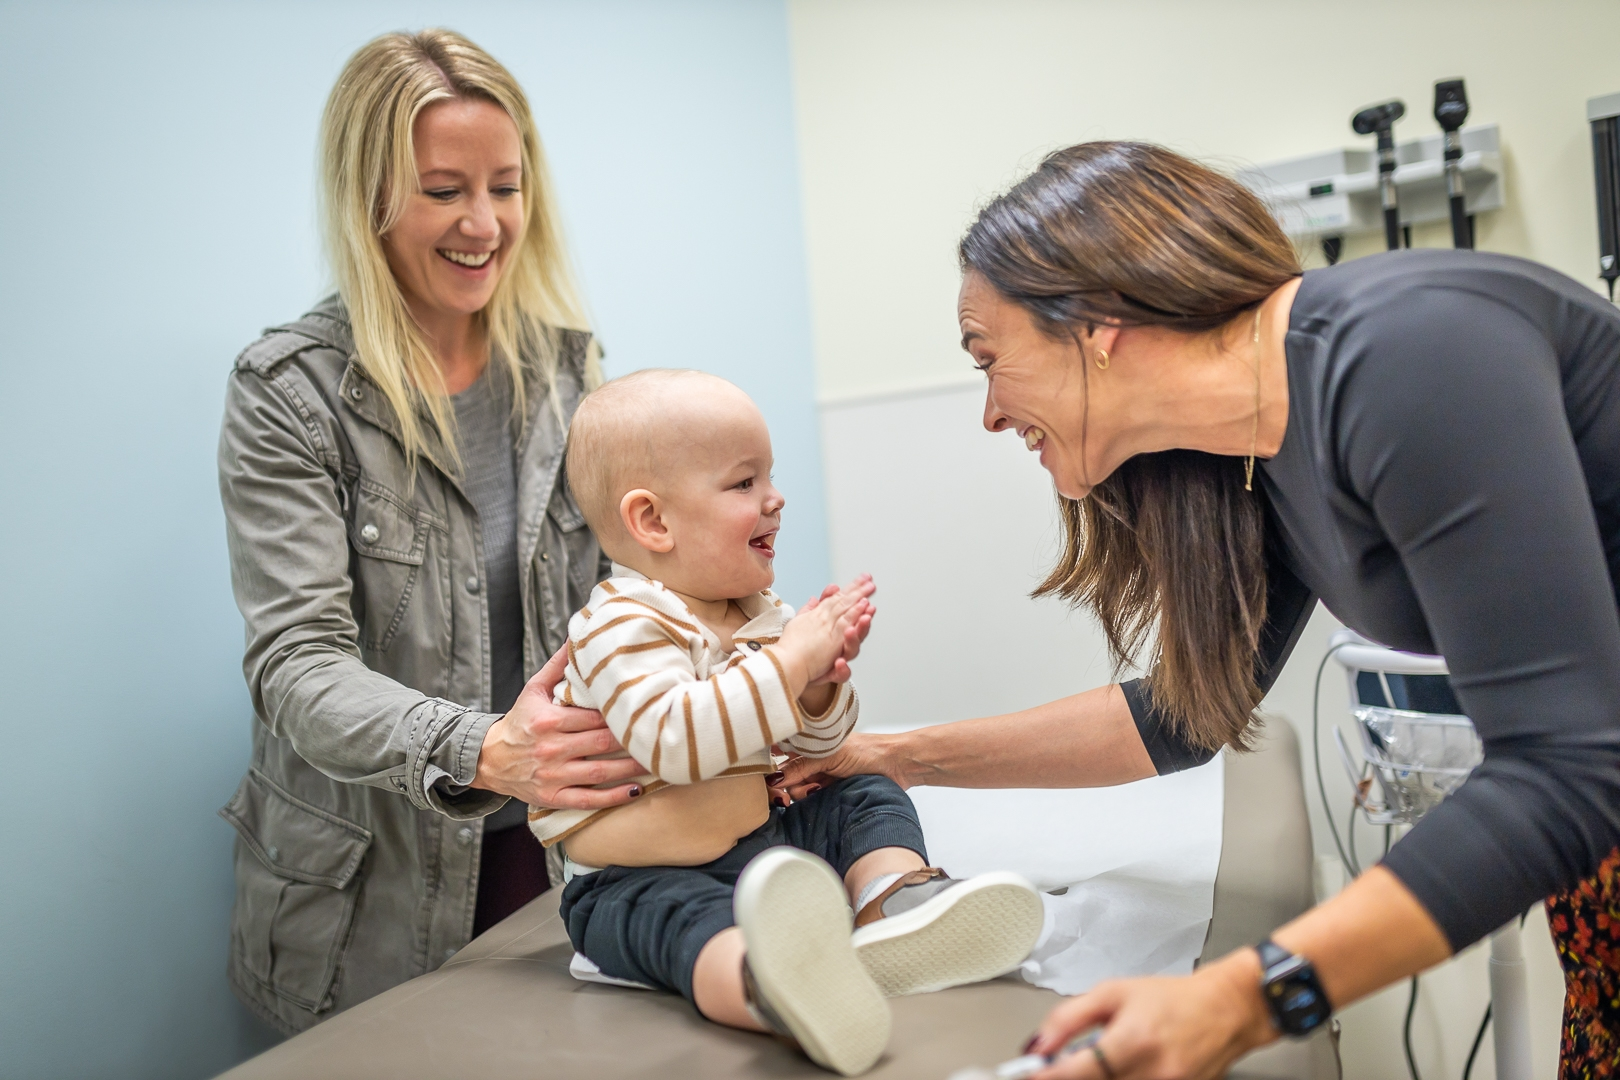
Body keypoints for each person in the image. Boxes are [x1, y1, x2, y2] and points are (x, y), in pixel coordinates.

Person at [780, 141, 1620, 1079]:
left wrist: (1243, 998)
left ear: (1096, 321)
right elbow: (1182, 718)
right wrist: (893, 757)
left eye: (989, 359)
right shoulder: (1253, 458)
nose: (989, 412)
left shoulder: (1405, 354)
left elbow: (1566, 769)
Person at [216, 29, 645, 1034]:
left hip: (551, 847)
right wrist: (482, 747)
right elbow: (295, 666)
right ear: (369, 198)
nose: (484, 223)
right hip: (374, 892)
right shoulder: (290, 393)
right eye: (444, 190)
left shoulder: (570, 376)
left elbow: (624, 595)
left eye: (505, 185)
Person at [547, 369, 1045, 1076]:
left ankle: (896, 901)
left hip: (763, 841)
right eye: (744, 483)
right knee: (692, 929)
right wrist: (785, 667)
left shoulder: (754, 612)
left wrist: (815, 690)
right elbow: (676, 741)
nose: (775, 499)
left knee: (861, 791)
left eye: (770, 476)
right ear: (653, 521)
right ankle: (770, 986)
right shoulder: (618, 625)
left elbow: (816, 746)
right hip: (636, 879)